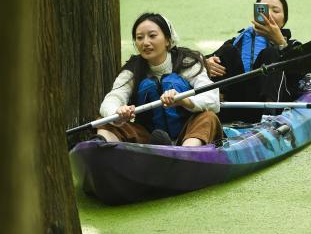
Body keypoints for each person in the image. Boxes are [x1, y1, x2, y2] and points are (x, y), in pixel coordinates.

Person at [96, 13, 223, 147]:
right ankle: (106, 150)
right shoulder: (132, 70)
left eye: (152, 36)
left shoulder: (187, 62)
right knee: (105, 121)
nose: (145, 43)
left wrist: (184, 100)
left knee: (208, 117)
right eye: (139, 38)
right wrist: (118, 112)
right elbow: (113, 98)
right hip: (148, 138)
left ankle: (186, 152)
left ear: (168, 40)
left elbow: (212, 98)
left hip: (187, 134)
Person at [205, 0, 308, 123]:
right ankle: (216, 111)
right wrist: (207, 63)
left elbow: (301, 71)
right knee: (227, 51)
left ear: (284, 20)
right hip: (234, 103)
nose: (269, 15)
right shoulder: (235, 42)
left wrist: (281, 43)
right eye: (263, 10)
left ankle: (269, 114)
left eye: (275, 11)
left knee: (271, 53)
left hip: (265, 108)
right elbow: (199, 62)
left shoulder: (292, 46)